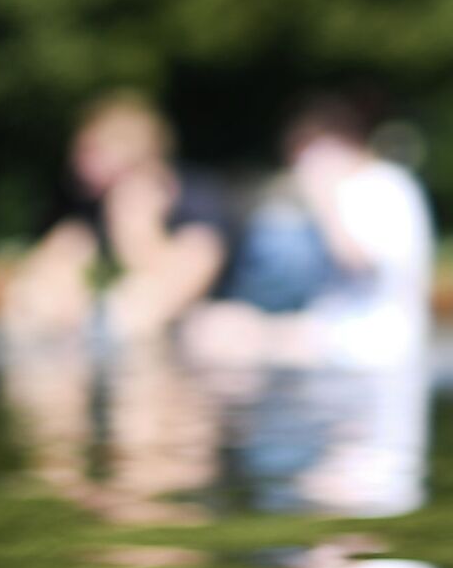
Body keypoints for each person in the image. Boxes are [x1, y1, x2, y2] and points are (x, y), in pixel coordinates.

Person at [185, 96, 434, 369]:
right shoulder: (366, 186)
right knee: (217, 328)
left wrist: (325, 201)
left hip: (371, 347)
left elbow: (362, 265)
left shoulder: (381, 185)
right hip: (340, 337)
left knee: (225, 337)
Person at [1, 91, 229, 345]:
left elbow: (178, 279)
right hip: (106, 330)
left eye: (90, 151)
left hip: (204, 323)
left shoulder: (196, 199)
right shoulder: (87, 206)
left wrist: (135, 226)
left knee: (138, 306)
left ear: (132, 152)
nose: (76, 162)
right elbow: (41, 276)